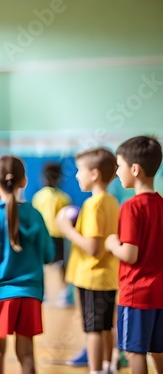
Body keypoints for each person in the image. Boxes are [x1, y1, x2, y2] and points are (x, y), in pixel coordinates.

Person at [0, 155, 55, 374]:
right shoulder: (36, 216)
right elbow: (49, 255)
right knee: (27, 355)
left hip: (0, 299)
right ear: (24, 182)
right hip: (30, 297)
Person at [56, 147, 120, 374]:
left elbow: (94, 248)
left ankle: (95, 370)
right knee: (105, 326)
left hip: (92, 277)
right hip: (107, 276)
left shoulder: (93, 205)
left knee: (92, 330)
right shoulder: (111, 201)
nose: (76, 175)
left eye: (80, 170)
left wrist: (67, 229)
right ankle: (108, 365)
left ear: (94, 174)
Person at [105, 135, 163, 374]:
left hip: (136, 294)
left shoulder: (131, 207)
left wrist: (111, 244)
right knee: (158, 349)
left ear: (135, 169)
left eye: (119, 166)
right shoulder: (161, 204)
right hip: (160, 292)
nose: (117, 172)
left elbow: (129, 254)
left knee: (134, 351)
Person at [31, 161, 74, 308]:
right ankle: (65, 295)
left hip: (43, 237)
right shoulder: (64, 197)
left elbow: (35, 219)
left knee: (41, 267)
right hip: (59, 238)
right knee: (63, 266)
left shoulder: (38, 197)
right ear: (60, 178)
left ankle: (43, 295)